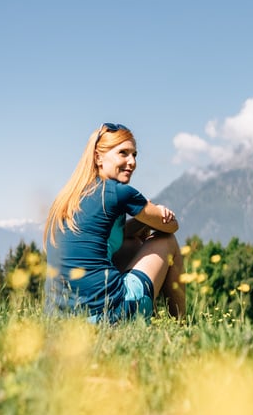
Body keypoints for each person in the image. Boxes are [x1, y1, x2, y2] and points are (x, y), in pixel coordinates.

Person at [43, 122, 186, 324]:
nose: (132, 162)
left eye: (135, 154)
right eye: (123, 153)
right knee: (167, 241)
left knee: (131, 244)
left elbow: (113, 237)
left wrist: (140, 223)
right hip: (109, 316)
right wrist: (157, 213)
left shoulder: (69, 197)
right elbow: (171, 227)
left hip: (60, 322)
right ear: (98, 157)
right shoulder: (117, 192)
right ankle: (180, 324)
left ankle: (153, 323)